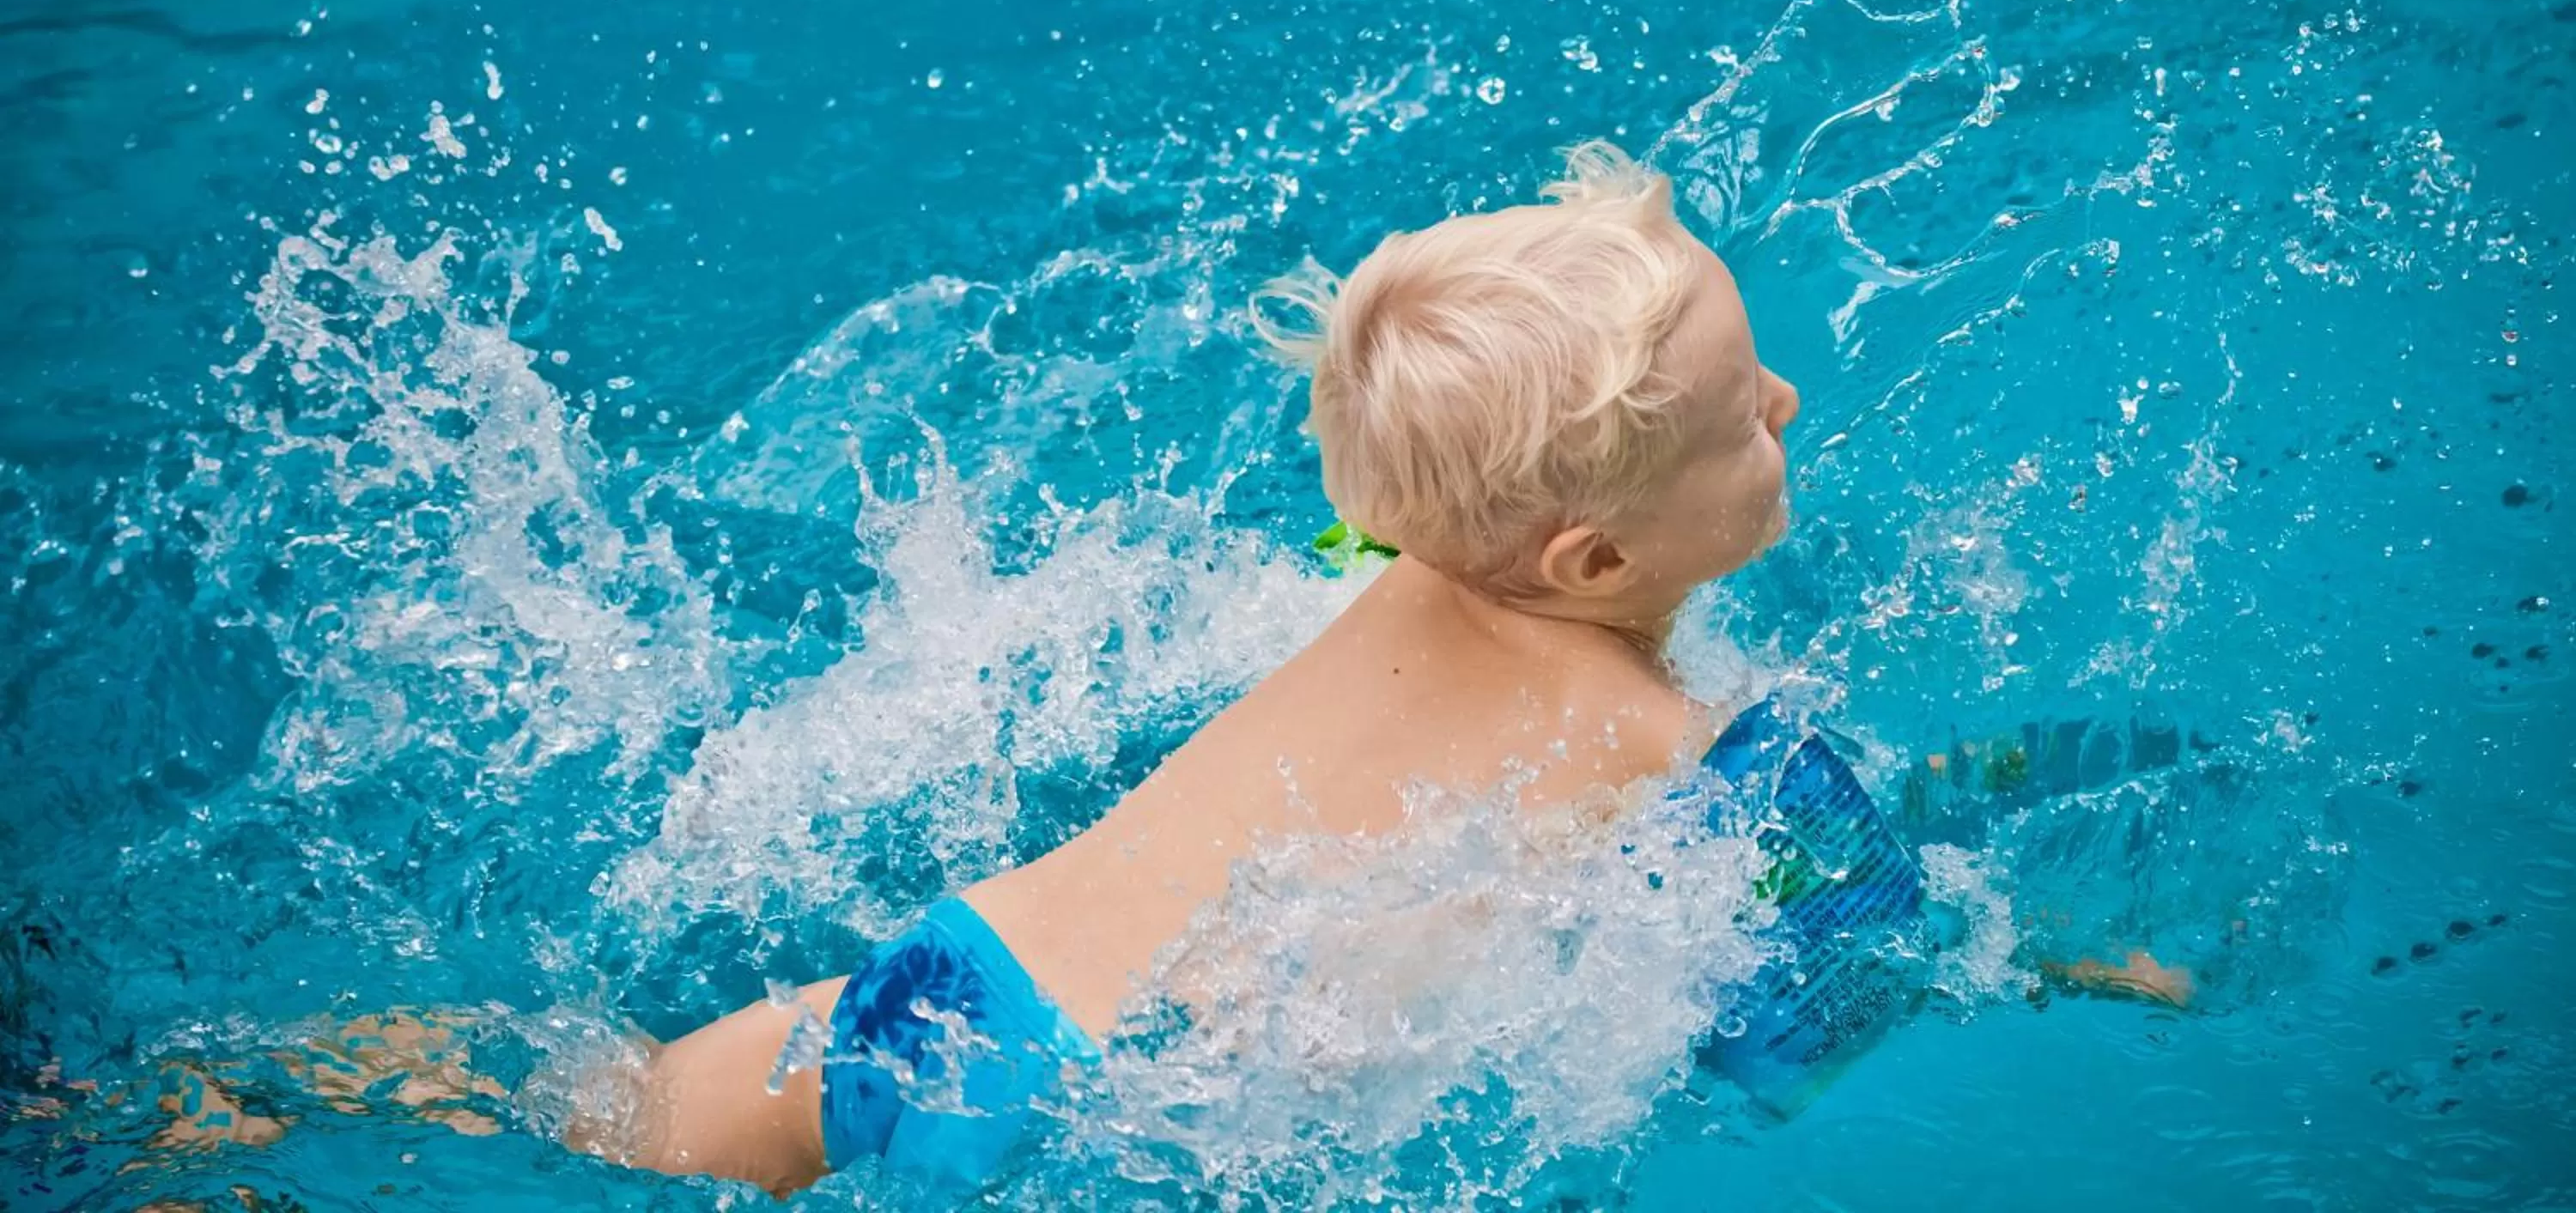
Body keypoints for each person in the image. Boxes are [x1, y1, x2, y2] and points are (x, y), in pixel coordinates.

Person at [131, 142, 2191, 1197]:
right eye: (1746, 413)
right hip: (1116, 1135)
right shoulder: (1697, 746)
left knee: (580, 1105)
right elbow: (1837, 1002)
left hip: (943, 994)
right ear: (1585, 561)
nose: (1790, 406)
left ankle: (216, 1117)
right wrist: (2063, 963)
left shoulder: (1379, 557)